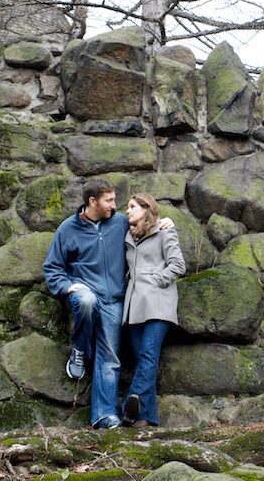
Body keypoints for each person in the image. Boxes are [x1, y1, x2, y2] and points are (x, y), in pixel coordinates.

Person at [42, 178, 173, 429]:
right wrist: (67, 286)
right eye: (109, 200)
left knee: (110, 357)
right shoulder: (68, 229)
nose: (115, 205)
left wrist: (166, 223)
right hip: (85, 292)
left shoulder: (120, 222)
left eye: (114, 199)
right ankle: (80, 349)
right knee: (87, 300)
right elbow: (52, 267)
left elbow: (147, 226)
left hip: (114, 300)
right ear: (92, 202)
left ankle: (104, 416)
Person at [121, 193, 185, 427]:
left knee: (148, 354)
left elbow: (178, 265)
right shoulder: (128, 234)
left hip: (158, 303)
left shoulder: (164, 231)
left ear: (146, 208)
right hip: (134, 305)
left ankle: (131, 399)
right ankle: (147, 417)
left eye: (132, 207)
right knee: (142, 359)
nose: (127, 211)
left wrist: (155, 281)